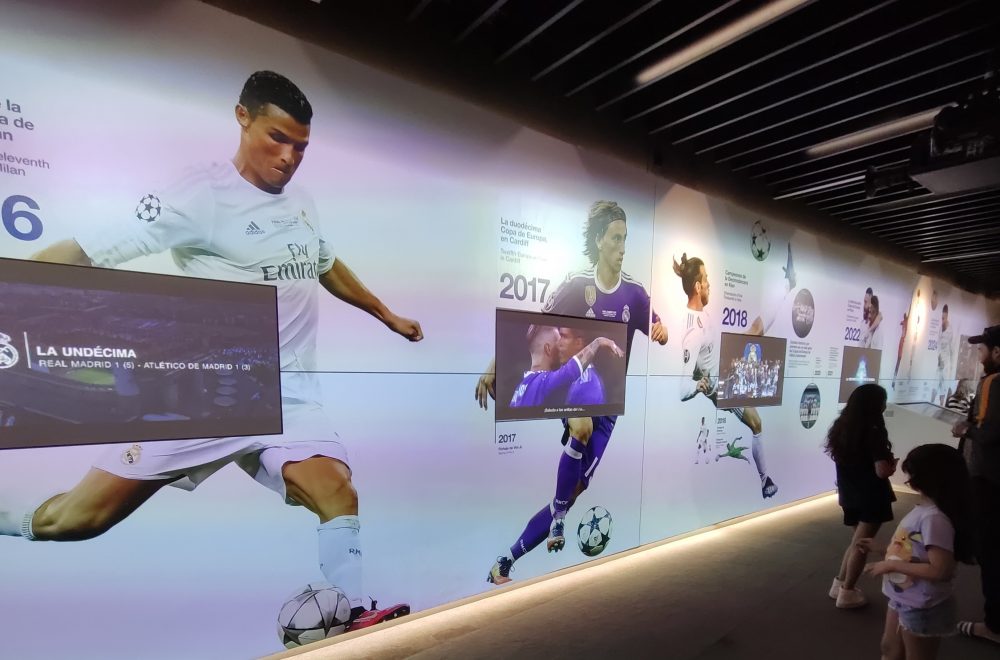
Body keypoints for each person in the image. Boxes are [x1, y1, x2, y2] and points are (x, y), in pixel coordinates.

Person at [0, 71, 424, 632]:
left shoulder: (301, 201)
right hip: (206, 397)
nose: (289, 157)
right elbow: (86, 250)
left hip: (290, 398)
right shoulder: (198, 195)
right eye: (278, 138)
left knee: (336, 493)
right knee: (79, 520)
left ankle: (346, 618)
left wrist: (386, 313)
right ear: (242, 117)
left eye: (300, 146)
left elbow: (323, 262)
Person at [476, 200, 667, 585]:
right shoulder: (577, 283)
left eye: (626, 238)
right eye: (616, 238)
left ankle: (506, 560)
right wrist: (494, 365)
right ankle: (560, 519)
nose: (622, 246)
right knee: (579, 428)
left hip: (609, 406)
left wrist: (661, 330)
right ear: (599, 240)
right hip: (578, 386)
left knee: (571, 492)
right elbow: (532, 323)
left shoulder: (634, 292)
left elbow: (656, 321)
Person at [673, 253, 778, 499]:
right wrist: (698, 386)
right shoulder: (693, 332)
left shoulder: (702, 314)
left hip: (725, 367)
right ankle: (765, 482)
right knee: (757, 423)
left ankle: (784, 289)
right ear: (698, 287)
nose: (710, 284)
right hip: (722, 387)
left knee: (755, 330)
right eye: (706, 279)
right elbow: (681, 389)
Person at [860, 444, 974, 659]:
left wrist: (891, 564)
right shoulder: (926, 511)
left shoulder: (933, 518)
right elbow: (917, 550)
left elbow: (940, 570)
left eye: (910, 474)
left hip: (921, 605)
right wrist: (884, 549)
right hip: (905, 598)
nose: (908, 479)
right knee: (890, 648)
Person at [825, 383, 896, 609]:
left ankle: (839, 583)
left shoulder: (841, 426)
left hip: (849, 493)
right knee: (862, 545)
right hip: (871, 495)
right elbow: (881, 471)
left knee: (856, 542)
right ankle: (847, 592)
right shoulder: (874, 429)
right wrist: (892, 466)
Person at [953, 325, 1000, 646]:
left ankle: (993, 626)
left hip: (989, 482)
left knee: (992, 553)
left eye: (982, 350)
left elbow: (989, 433)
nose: (979, 355)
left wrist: (965, 428)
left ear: (997, 352)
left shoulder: (994, 383)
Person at [509, 325, 624, 408]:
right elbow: (571, 370)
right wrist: (598, 342)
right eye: (558, 341)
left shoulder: (522, 385)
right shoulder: (543, 382)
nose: (559, 345)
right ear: (548, 349)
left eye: (563, 337)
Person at [935, 305, 955, 406]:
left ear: (947, 316)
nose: (942, 320)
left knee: (943, 385)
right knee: (935, 383)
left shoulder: (950, 330)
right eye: (941, 318)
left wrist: (950, 366)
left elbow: (951, 349)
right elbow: (938, 344)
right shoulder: (940, 328)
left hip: (945, 362)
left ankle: (941, 405)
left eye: (944, 318)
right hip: (939, 360)